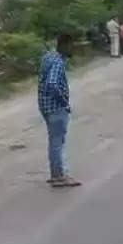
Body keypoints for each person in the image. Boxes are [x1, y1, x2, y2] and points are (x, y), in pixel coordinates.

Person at [38, 34, 81, 187]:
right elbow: (52, 83)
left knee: (54, 141)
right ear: (65, 45)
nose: (73, 49)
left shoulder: (49, 57)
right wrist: (64, 102)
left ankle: (56, 172)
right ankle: (59, 176)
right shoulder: (57, 62)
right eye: (72, 45)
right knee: (58, 142)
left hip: (45, 106)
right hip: (56, 107)